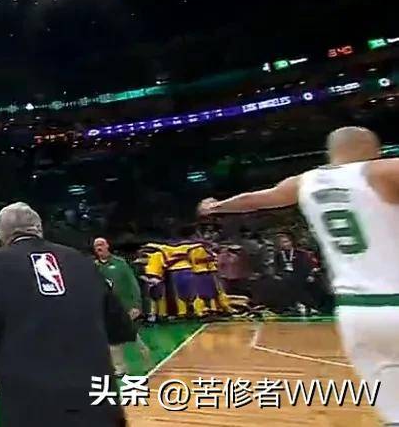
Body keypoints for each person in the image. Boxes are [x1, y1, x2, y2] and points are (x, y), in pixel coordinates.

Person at [199, 126, 399, 424]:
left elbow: (256, 199)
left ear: (331, 152)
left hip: (356, 314)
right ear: (375, 150)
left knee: (393, 409)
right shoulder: (383, 170)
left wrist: (216, 206)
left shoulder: (306, 181)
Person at [0, 203, 130, 427]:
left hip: (30, 396)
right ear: (39, 228)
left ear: (1, 234)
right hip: (93, 390)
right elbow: (119, 325)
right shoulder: (79, 260)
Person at [92, 237, 152, 375]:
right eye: (96, 246)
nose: (99, 248)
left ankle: (147, 361)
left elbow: (133, 284)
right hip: (108, 309)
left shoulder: (120, 263)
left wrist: (136, 305)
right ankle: (120, 368)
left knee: (133, 336)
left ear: (107, 246)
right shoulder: (95, 267)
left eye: (101, 244)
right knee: (113, 340)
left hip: (125, 307)